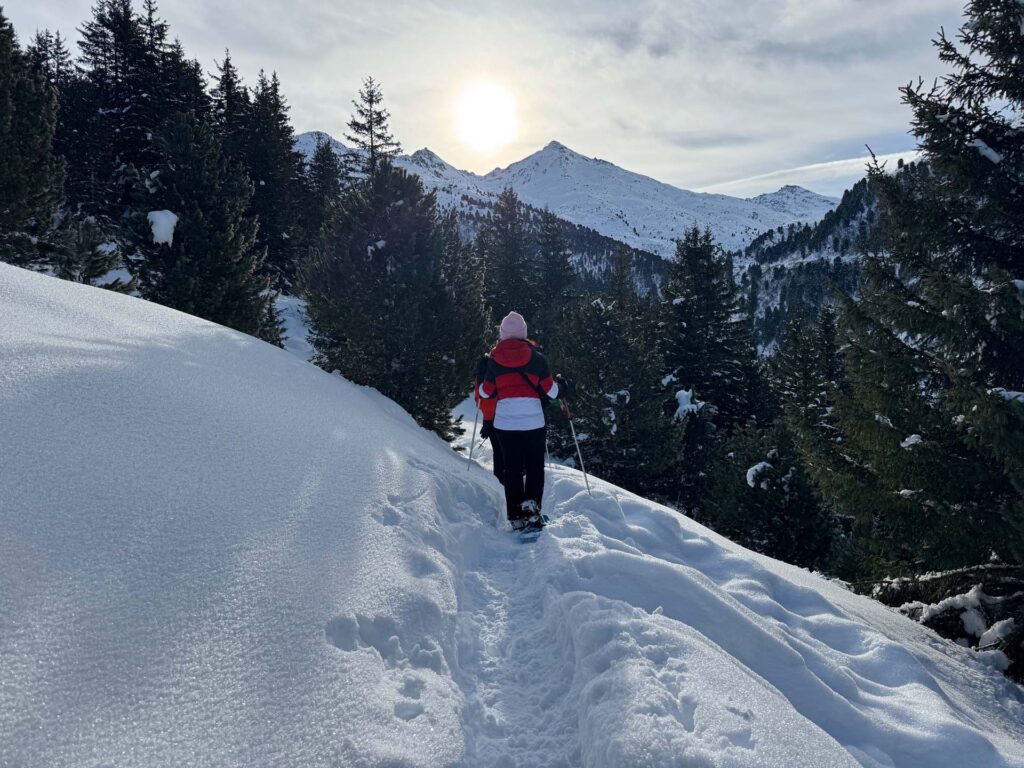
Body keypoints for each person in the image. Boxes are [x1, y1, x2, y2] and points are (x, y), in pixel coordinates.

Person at [478, 311, 569, 531]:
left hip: (505, 425)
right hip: (533, 423)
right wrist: (562, 385)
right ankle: (532, 509)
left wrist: (483, 378)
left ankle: (515, 515)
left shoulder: (494, 360)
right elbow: (552, 392)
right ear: (523, 333)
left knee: (512, 468)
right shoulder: (537, 358)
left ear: (502, 334)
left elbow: (486, 392)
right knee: (535, 466)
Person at [473, 352, 504, 485]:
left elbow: (479, 398)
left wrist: (487, 422)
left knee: (498, 449)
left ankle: (499, 479)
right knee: (505, 447)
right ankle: (507, 477)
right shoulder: (501, 369)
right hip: (503, 414)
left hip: (491, 416)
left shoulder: (481, 374)